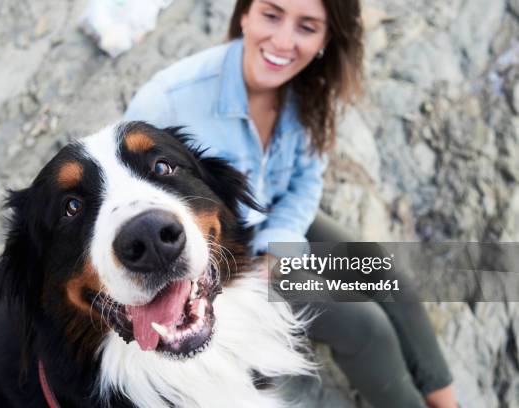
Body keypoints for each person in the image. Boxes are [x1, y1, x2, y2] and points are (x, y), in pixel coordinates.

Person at [124, 1, 458, 407]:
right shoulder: (168, 102)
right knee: (364, 326)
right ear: (244, 14)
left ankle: (446, 400)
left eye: (306, 26)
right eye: (271, 14)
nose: (283, 41)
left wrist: (280, 244)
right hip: (221, 255)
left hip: (278, 220)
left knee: (383, 273)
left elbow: (305, 181)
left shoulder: (310, 90)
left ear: (325, 39)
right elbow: (137, 204)